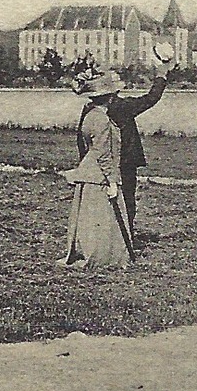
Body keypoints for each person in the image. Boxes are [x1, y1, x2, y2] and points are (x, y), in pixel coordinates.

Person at [59, 72, 133, 269]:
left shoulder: (89, 115)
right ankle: (101, 257)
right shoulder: (101, 120)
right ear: (109, 97)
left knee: (87, 217)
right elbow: (103, 153)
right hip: (99, 175)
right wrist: (112, 181)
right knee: (102, 217)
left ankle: (85, 253)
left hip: (88, 172)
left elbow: (87, 146)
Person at [107, 57, 171, 236]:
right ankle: (126, 234)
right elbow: (151, 99)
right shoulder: (121, 106)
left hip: (103, 158)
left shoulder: (91, 109)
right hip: (125, 159)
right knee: (127, 197)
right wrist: (161, 76)